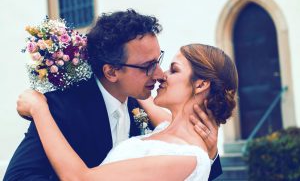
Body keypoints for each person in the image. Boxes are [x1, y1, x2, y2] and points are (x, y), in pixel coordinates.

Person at [4, 10, 221, 180]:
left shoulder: (145, 109)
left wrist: (210, 153)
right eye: (147, 66)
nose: (158, 74)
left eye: (158, 60)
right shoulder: (61, 108)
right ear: (111, 71)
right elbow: (18, 177)